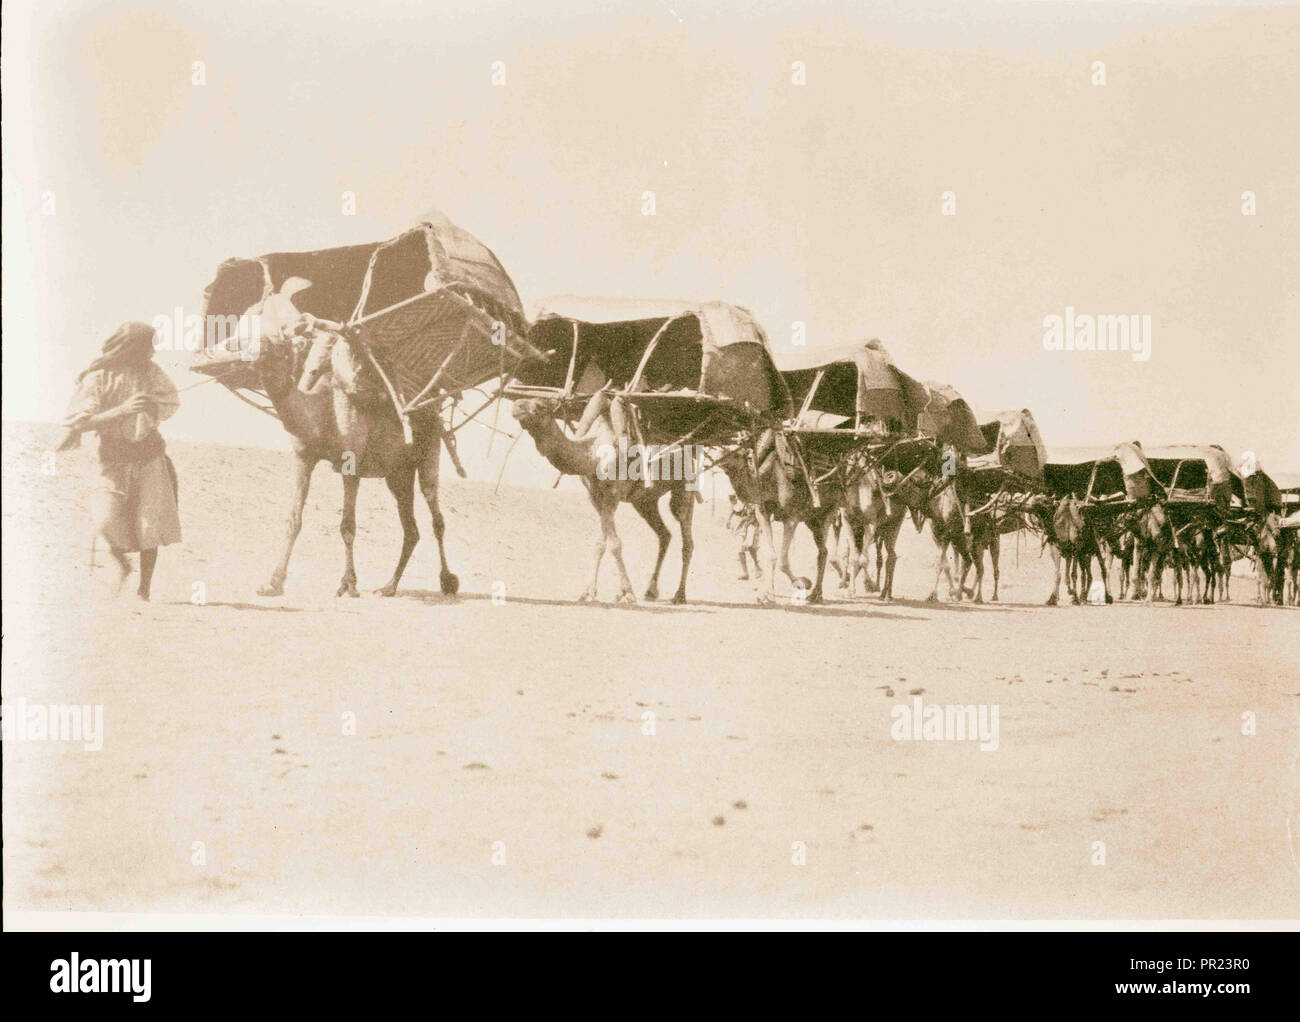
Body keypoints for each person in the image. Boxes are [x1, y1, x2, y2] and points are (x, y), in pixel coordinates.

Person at [59, 322, 182, 600]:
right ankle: (124, 565)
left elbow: (171, 403)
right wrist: (122, 410)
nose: (153, 352)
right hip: (113, 458)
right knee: (104, 519)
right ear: (133, 347)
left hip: (150, 456)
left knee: (150, 525)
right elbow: (80, 422)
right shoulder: (99, 377)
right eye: (149, 346)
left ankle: (144, 590)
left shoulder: (152, 372)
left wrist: (152, 405)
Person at [726, 493, 762, 580]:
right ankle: (745, 573)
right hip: (739, 521)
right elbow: (732, 504)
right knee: (739, 548)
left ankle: (757, 567)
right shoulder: (735, 489)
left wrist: (760, 524)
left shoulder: (751, 487)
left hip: (752, 520)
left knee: (750, 546)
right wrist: (728, 519)